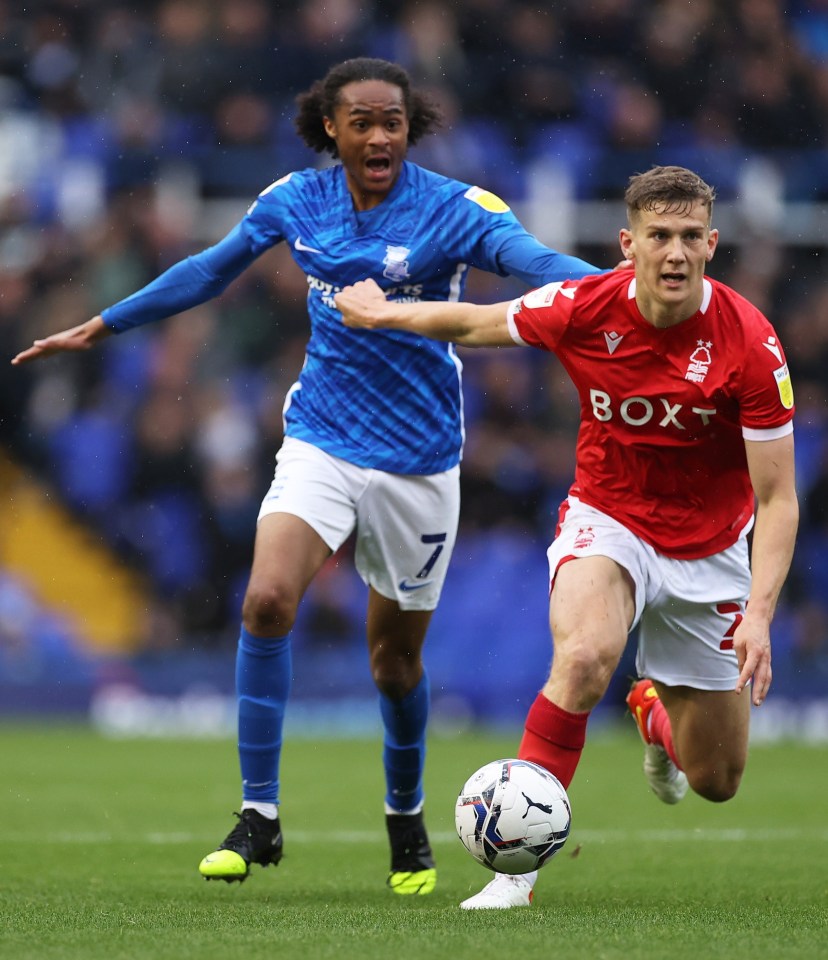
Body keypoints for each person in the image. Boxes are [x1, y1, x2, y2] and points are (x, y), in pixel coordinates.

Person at [11, 57, 606, 894]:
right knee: (265, 600)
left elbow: (540, 265)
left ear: (410, 128)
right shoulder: (296, 199)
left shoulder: (456, 208)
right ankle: (260, 816)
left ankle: (405, 818)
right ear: (330, 125)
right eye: (361, 120)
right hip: (321, 437)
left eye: (391, 122)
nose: (377, 136)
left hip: (420, 462)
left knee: (394, 665)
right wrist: (103, 325)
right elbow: (209, 270)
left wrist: (627, 295)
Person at [334, 165, 798, 909]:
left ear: (711, 245)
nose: (673, 254)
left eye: (688, 238)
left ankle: (652, 713)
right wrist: (383, 313)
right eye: (658, 237)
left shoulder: (752, 344)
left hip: (711, 552)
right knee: (582, 660)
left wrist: (763, 613)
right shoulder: (586, 306)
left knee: (716, 781)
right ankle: (512, 875)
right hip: (608, 520)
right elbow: (478, 323)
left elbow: (777, 499)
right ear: (628, 244)